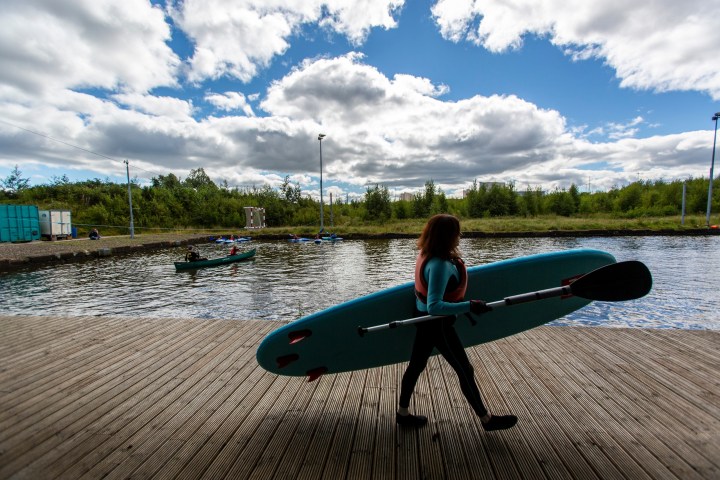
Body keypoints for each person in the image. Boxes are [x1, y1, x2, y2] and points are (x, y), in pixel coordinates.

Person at [397, 214, 517, 432]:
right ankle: (486, 419)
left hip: (423, 320)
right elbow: (435, 306)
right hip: (437, 324)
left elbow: (423, 297)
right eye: (456, 233)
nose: (459, 236)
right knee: (464, 369)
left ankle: (402, 414)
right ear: (447, 236)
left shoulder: (425, 254)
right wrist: (469, 306)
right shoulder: (441, 265)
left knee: (416, 366)